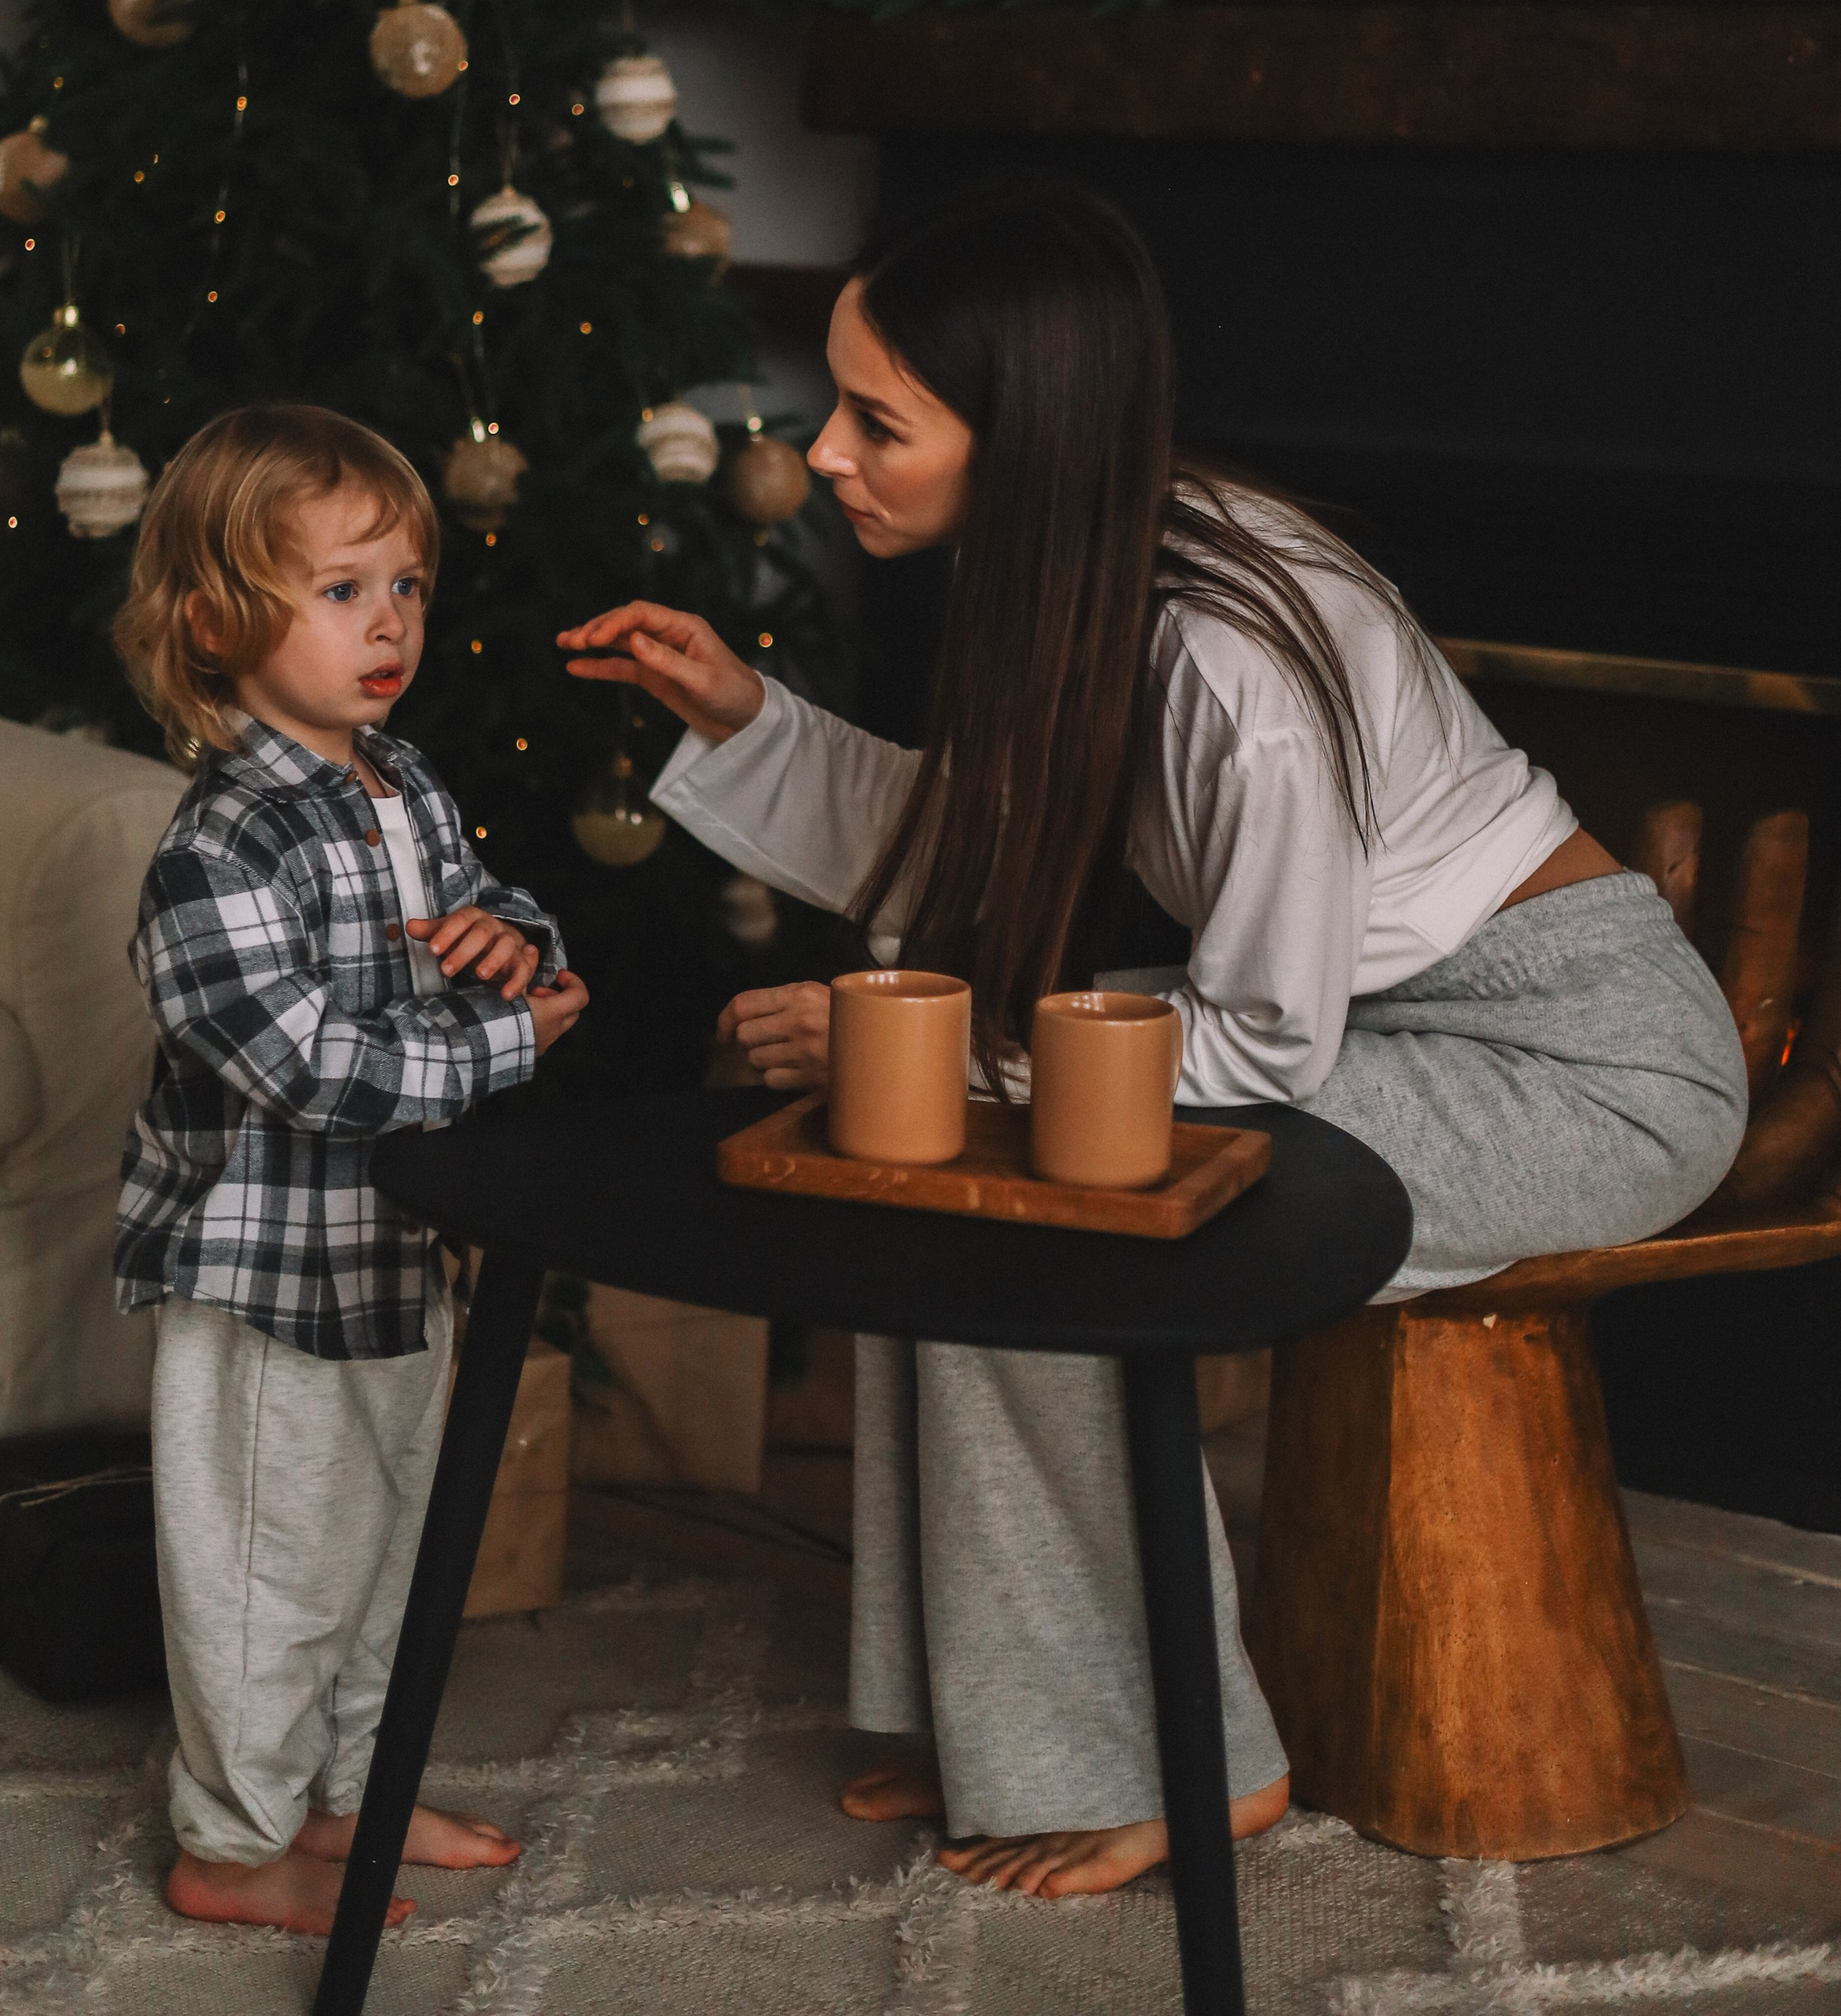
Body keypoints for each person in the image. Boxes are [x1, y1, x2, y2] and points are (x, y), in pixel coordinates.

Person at [558, 183, 1745, 1903]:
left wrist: (941, 1054)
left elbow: (1258, 1039)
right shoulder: (1092, 561)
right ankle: (1000, 1714)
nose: (823, 454)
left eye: (877, 422)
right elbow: (987, 848)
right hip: (1378, 1033)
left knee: (1014, 1177)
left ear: (1022, 434)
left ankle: (1169, 1758)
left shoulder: (1229, 660)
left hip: (1577, 1070)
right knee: (932, 1159)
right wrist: (751, 720)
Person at [113, 404, 588, 1936]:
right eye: (340, 591)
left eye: (406, 588)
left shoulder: (402, 781)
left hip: (398, 1252)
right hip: (269, 1280)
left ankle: (351, 1794)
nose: (389, 624)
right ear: (213, 622)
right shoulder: (219, 848)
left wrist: (515, 947)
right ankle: (231, 1841)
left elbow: (486, 907)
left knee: (388, 1547)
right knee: (272, 1573)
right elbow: (308, 1068)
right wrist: (505, 1044)